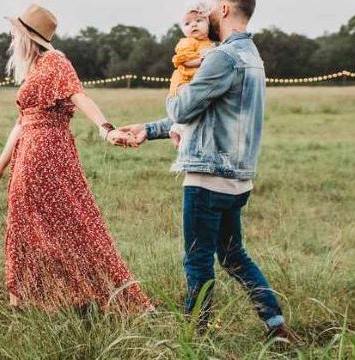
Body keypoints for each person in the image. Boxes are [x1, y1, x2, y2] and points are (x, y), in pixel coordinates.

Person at [119, 0, 303, 343]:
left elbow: (183, 109)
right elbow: (207, 113)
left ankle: (195, 336)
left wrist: (175, 88)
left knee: (197, 261)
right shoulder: (251, 56)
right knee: (233, 256)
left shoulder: (222, 57)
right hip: (237, 179)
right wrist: (149, 129)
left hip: (207, 178)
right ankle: (276, 326)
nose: (206, 14)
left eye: (211, 7)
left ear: (225, 8)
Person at [0, 4, 152, 312]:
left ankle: (81, 294)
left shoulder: (55, 61)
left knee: (71, 222)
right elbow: (21, 123)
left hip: (47, 152)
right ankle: (32, 298)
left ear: (28, 37)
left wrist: (106, 129)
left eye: (15, 33)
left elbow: (79, 95)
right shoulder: (35, 68)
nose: (12, 39)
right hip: (29, 151)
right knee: (27, 223)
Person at [168, 1, 216, 149]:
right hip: (184, 80)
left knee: (197, 110)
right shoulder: (187, 42)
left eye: (199, 21)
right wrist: (201, 61)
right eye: (188, 24)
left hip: (196, 80)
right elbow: (184, 61)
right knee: (189, 104)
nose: (193, 25)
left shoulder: (209, 43)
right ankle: (180, 134)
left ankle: (177, 129)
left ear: (208, 24)